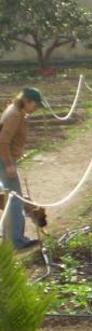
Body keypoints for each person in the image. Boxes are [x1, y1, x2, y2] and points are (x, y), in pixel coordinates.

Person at [0, 88, 44, 250]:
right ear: (26, 101)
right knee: (15, 200)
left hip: (6, 158)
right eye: (35, 105)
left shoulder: (14, 111)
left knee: (9, 198)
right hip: (5, 160)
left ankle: (10, 238)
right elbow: (3, 141)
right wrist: (9, 164)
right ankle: (16, 241)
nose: (35, 109)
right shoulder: (15, 115)